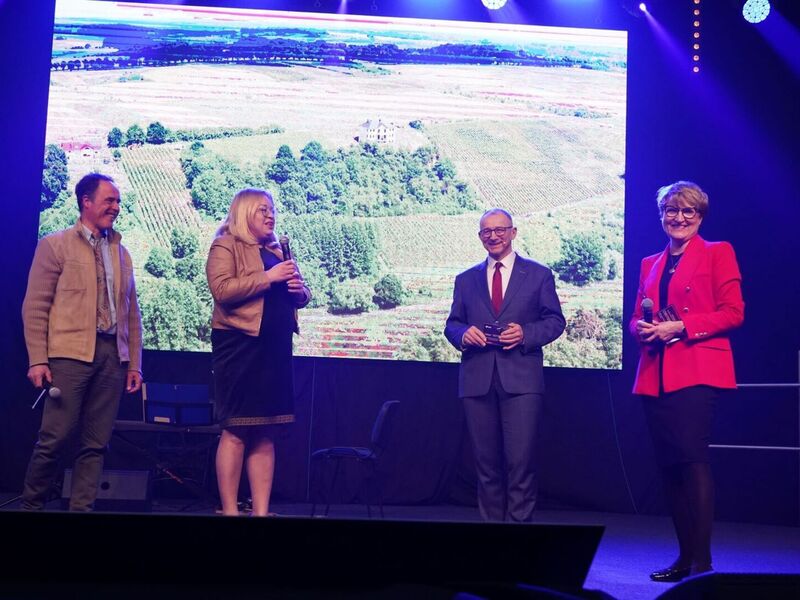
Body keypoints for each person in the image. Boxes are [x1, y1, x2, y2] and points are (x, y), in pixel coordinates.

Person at [630, 181, 744, 581]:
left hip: (696, 370)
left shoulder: (718, 253)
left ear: (699, 216)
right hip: (655, 374)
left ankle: (702, 560)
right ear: (661, 215)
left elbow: (733, 313)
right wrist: (642, 328)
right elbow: (635, 315)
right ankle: (683, 557)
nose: (678, 218)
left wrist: (681, 327)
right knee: (669, 468)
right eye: (671, 211)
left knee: (692, 461)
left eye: (687, 212)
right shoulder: (651, 262)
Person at [21, 173, 143, 511]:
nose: (116, 207)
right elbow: (35, 306)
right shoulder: (55, 245)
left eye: (118, 201)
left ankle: (81, 515)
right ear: (86, 202)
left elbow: (132, 313)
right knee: (54, 439)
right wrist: (37, 359)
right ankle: (30, 508)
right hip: (69, 356)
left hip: (111, 358)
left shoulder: (122, 253)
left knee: (96, 444)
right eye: (109, 200)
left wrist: (134, 363)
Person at [444, 208, 565, 522]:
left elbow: (555, 321)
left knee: (520, 465)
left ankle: (517, 546)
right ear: (480, 236)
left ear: (513, 232)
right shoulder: (465, 279)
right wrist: (462, 334)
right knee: (485, 468)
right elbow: (452, 324)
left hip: (522, 381)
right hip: (476, 380)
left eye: (500, 230)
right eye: (486, 231)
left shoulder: (538, 274)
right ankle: (492, 546)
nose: (493, 236)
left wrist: (525, 334)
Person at [206, 188, 310, 517]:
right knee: (236, 427)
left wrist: (300, 292)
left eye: (272, 210)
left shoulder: (277, 251)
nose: (270, 215)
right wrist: (267, 277)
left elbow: (300, 295)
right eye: (262, 210)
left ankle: (261, 513)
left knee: (266, 429)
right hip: (240, 347)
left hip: (274, 349)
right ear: (243, 213)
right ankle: (230, 511)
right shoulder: (226, 244)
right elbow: (222, 290)